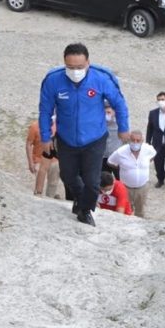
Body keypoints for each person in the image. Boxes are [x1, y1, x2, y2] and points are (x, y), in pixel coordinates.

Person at [39, 43, 129, 226]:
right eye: (70, 67)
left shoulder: (101, 79)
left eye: (80, 67)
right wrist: (45, 136)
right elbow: (45, 111)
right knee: (68, 175)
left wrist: (123, 128)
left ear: (88, 62)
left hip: (94, 139)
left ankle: (85, 210)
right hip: (66, 139)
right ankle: (81, 200)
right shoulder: (53, 80)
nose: (75, 71)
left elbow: (119, 103)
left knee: (92, 181)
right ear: (64, 63)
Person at [107, 130, 158, 217]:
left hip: (142, 187)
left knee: (140, 211)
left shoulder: (148, 149)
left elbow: (154, 154)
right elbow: (110, 161)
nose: (135, 142)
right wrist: (122, 167)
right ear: (129, 140)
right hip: (126, 188)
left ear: (142, 140)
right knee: (126, 211)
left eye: (138, 140)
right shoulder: (120, 152)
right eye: (133, 140)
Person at [25, 116, 59, 198]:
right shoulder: (34, 126)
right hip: (38, 160)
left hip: (54, 160)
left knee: (53, 183)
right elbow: (28, 144)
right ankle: (38, 194)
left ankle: (50, 198)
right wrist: (30, 162)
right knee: (39, 179)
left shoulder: (57, 126)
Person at [102, 103, 121, 179]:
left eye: (108, 112)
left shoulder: (120, 125)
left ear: (114, 112)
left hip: (117, 157)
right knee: (104, 181)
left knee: (120, 179)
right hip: (103, 158)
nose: (106, 115)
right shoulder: (99, 125)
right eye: (104, 113)